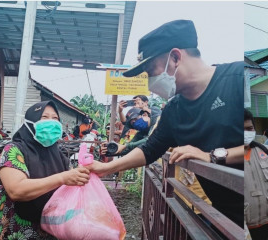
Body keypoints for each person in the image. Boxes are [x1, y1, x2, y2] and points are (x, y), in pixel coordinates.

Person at [87, 19, 244, 227]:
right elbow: (150, 149)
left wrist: (212, 156)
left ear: (176, 57)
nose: (150, 83)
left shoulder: (238, 79)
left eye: (151, 72)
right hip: (225, 218)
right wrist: (105, 169)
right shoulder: (174, 110)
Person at [0, 101, 90, 239]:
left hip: (52, 231)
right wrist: (62, 178)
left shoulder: (59, 155)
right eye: (44, 117)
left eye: (55, 119)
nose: (51, 122)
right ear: (31, 122)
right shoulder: (13, 150)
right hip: (17, 232)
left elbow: (72, 184)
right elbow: (16, 190)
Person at [244, 109, 268, 239]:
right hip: (244, 228)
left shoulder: (264, 151)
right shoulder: (227, 156)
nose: (246, 133)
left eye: (249, 128)